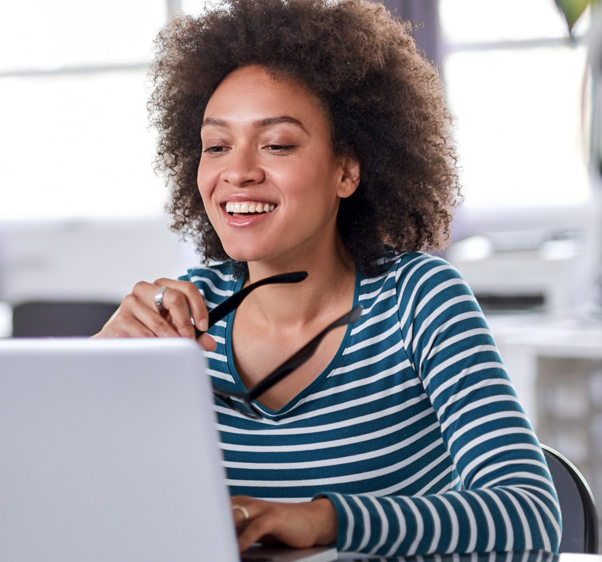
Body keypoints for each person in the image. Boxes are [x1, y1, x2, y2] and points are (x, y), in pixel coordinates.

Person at [92, 0, 563, 555]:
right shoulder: (180, 318)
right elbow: (79, 511)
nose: (237, 171)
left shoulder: (418, 301)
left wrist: (325, 521)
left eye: (278, 144)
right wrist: (96, 377)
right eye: (216, 146)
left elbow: (529, 516)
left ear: (346, 170)